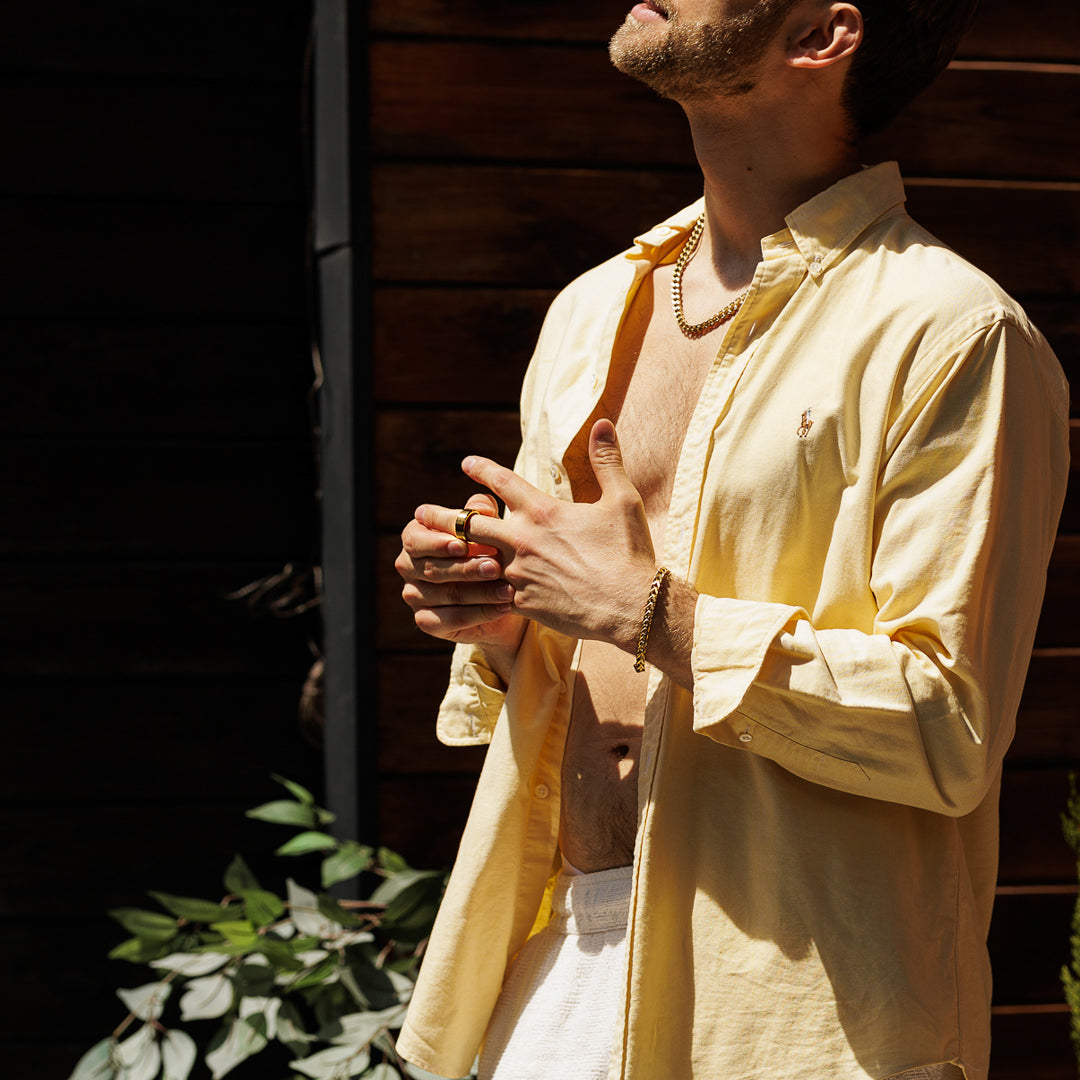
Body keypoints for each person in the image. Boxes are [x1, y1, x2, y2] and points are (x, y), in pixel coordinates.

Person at [393, 0, 1070, 1077]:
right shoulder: (592, 309)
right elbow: (588, 640)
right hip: (558, 959)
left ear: (821, 36)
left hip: (797, 1014)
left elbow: (944, 729)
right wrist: (503, 617)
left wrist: (646, 610)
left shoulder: (953, 335)